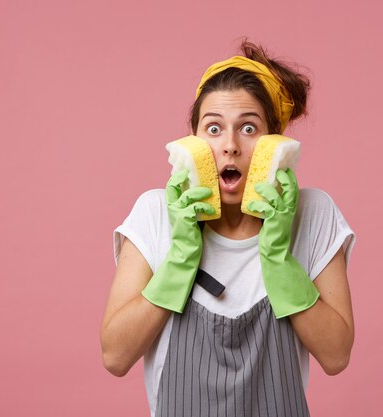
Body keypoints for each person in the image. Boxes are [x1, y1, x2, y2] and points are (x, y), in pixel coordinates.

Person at [100, 39, 357, 417]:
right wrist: (180, 260)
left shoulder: (313, 213)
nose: (230, 145)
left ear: (276, 142)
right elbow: (115, 356)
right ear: (193, 141)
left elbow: (336, 356)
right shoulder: (155, 212)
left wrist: (278, 259)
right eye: (214, 128)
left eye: (249, 128)